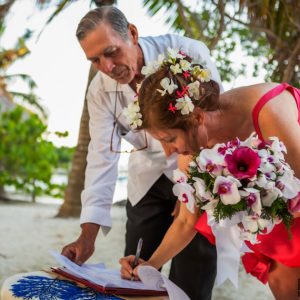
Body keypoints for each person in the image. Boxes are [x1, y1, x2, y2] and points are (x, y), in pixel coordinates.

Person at [61, 6, 223, 300]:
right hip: (146, 178)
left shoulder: (186, 52)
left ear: (133, 34)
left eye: (111, 52)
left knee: (191, 278)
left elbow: (212, 124)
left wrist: (189, 190)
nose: (107, 67)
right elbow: (101, 157)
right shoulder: (99, 91)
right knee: (133, 278)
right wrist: (89, 234)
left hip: (199, 172)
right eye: (95, 60)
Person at [118, 50, 300, 300]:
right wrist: (149, 264)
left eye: (169, 139)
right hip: (279, 224)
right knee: (283, 284)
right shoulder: (190, 153)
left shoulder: (268, 111)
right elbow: (185, 221)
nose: (169, 152)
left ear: (197, 117)